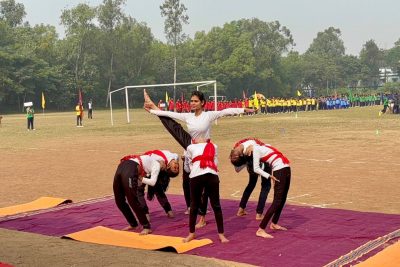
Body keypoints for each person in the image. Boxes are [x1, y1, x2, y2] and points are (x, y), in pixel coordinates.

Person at [144, 89, 254, 243]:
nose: (192, 103)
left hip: (206, 149)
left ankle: (202, 217)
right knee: (172, 125)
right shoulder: (187, 116)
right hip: (192, 147)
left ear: (202, 102)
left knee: (207, 185)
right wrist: (153, 110)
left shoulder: (208, 115)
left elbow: (227, 111)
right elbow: (169, 114)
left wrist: (244, 109)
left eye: (195, 101)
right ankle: (196, 218)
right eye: (191, 101)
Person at [231, 142, 291, 238]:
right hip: (279, 169)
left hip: (285, 167)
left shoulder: (259, 146)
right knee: (277, 201)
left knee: (283, 198)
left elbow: (262, 144)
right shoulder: (255, 151)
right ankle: (261, 229)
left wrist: (253, 146)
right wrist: (269, 175)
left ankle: (274, 223)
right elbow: (256, 169)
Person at [113, 149, 179, 235]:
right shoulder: (155, 159)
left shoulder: (156, 166)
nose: (164, 164)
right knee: (119, 201)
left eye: (164, 167)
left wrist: (141, 178)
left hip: (131, 167)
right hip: (123, 165)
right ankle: (133, 224)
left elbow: (153, 182)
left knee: (132, 199)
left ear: (164, 169)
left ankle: (146, 226)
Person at [230, 138, 272, 221]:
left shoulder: (235, 153)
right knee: (265, 186)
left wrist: (246, 163)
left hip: (252, 166)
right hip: (261, 163)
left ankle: (241, 210)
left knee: (251, 185)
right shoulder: (242, 147)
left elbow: (237, 169)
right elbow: (265, 148)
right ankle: (259, 214)